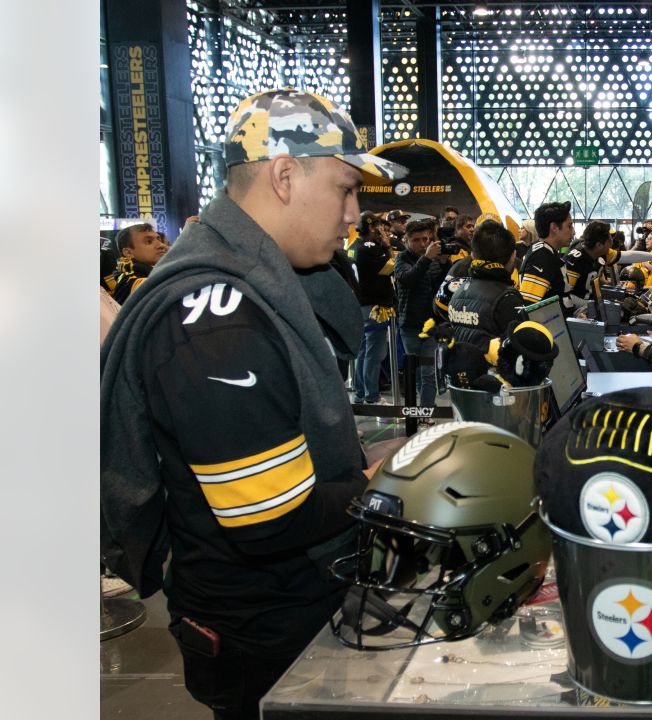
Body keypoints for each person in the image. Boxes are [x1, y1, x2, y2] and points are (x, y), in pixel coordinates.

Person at [101, 87, 408, 720]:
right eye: (346, 190)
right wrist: (384, 482)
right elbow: (270, 513)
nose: (354, 216)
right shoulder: (216, 324)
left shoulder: (262, 284)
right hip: (262, 626)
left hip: (288, 598)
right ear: (285, 175)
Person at [447, 221, 525, 352]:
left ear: (474, 255)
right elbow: (521, 348)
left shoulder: (458, 290)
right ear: (513, 256)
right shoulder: (508, 298)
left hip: (463, 368)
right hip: (494, 370)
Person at [394, 217, 446, 404]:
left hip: (431, 325)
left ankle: (426, 414)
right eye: (416, 240)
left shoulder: (432, 260)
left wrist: (445, 263)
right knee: (414, 373)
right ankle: (419, 413)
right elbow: (408, 279)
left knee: (429, 373)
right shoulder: (401, 258)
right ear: (406, 240)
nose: (422, 244)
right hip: (409, 326)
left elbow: (440, 288)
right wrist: (426, 258)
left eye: (425, 239)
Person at [353, 212, 396, 403]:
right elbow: (391, 267)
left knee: (364, 350)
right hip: (375, 307)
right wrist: (388, 247)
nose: (382, 229)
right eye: (378, 225)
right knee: (375, 352)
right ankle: (372, 395)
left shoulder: (357, 246)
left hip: (363, 305)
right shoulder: (370, 248)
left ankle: (361, 392)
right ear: (371, 227)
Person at [518, 201, 574, 304]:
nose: (573, 232)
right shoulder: (541, 257)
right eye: (569, 226)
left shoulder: (547, 252)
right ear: (554, 228)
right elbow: (530, 307)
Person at [111, 222, 167, 304]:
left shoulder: (129, 275)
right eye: (149, 241)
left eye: (159, 239)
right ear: (128, 252)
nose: (161, 245)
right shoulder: (133, 283)